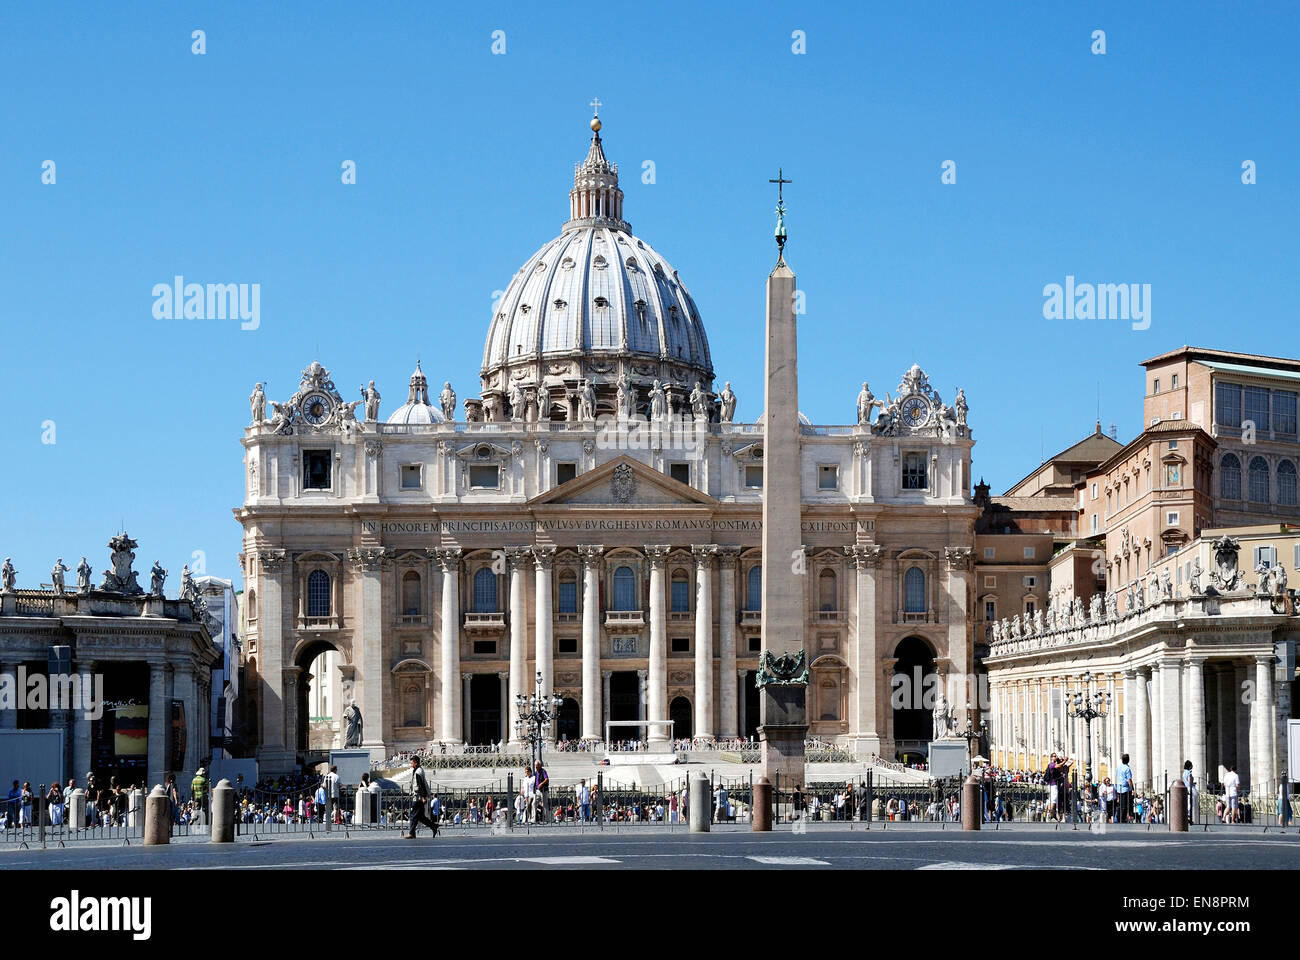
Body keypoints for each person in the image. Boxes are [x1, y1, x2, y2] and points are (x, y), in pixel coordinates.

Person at [404, 756, 438, 839]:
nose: (411, 765)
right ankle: (433, 826)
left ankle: (411, 833)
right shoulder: (418, 770)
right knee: (420, 816)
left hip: (418, 796)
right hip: (419, 796)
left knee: (413, 814)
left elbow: (420, 785)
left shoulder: (418, 772)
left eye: (412, 763)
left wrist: (423, 797)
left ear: (415, 763)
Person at [1114, 753, 1134, 823]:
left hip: (1119, 788)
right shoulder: (1127, 768)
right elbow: (1129, 780)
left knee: (1121, 805)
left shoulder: (1118, 767)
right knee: (1126, 805)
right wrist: (1132, 789)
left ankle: (1120, 818)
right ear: (1128, 760)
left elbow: (1116, 777)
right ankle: (1123, 819)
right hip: (1125, 789)